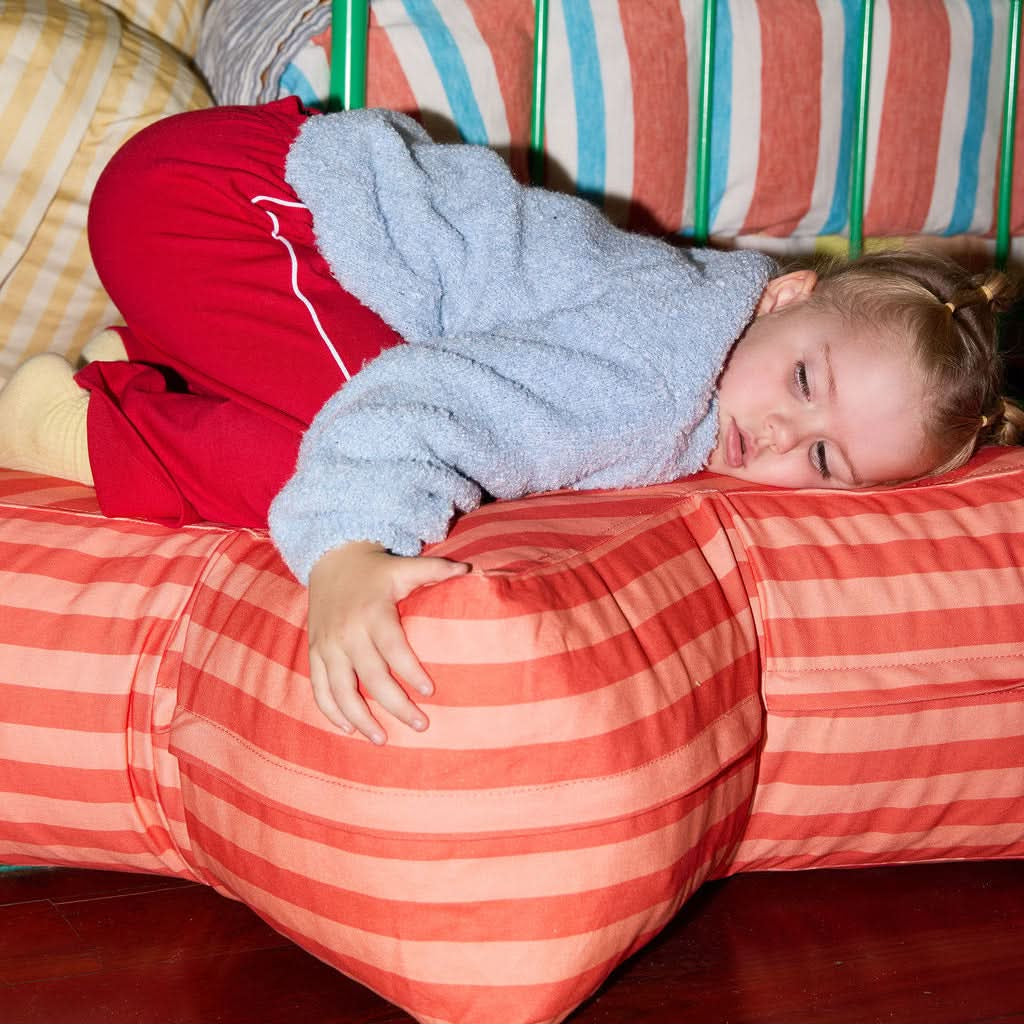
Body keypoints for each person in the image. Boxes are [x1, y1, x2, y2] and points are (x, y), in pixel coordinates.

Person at [1, 98, 1021, 745]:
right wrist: (348, 557)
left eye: (826, 458)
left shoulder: (706, 361)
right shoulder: (659, 361)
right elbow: (420, 405)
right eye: (803, 382)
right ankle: (75, 426)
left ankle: (148, 372)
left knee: (394, 455)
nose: (777, 435)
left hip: (245, 220)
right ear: (785, 297)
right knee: (354, 463)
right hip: (227, 201)